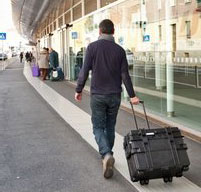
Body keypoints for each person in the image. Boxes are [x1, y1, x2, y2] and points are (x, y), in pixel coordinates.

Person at [74, 19, 140, 179]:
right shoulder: (119, 50)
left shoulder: (92, 47)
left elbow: (84, 71)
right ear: (113, 32)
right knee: (110, 127)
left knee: (97, 127)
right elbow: (125, 74)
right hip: (114, 95)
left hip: (98, 95)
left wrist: (78, 89)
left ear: (100, 31)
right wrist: (132, 95)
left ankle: (106, 154)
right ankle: (107, 155)